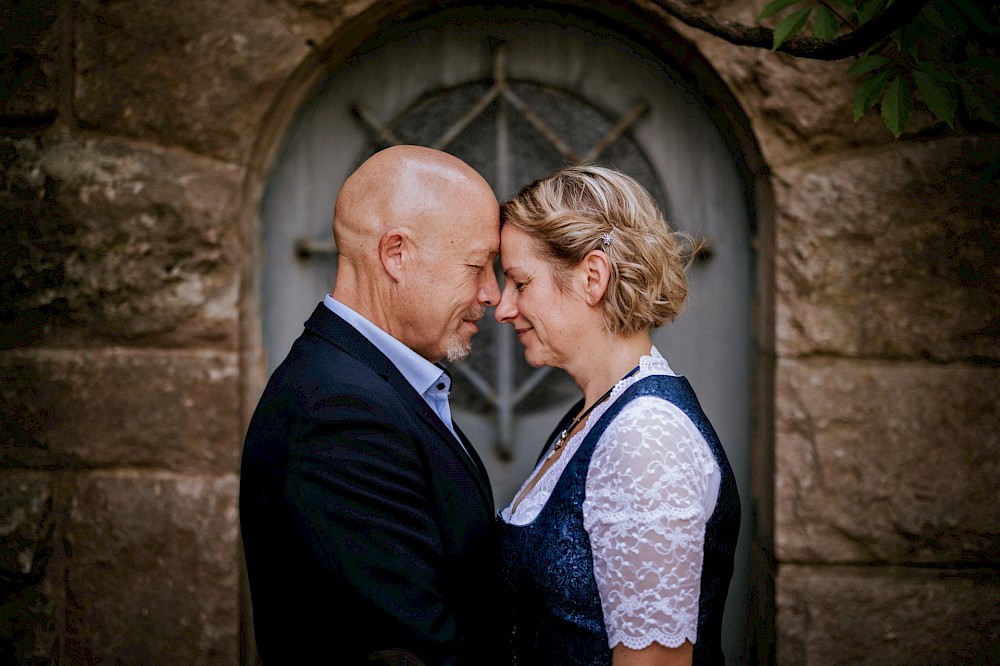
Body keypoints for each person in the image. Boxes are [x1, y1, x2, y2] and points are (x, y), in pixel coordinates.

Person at [240, 145, 506, 664]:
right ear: (396, 254)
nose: (492, 293)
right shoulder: (341, 414)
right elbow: (412, 647)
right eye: (477, 265)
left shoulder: (367, 383)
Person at [494, 165, 740, 665]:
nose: (502, 307)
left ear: (592, 277)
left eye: (520, 282)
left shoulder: (647, 435)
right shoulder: (596, 411)